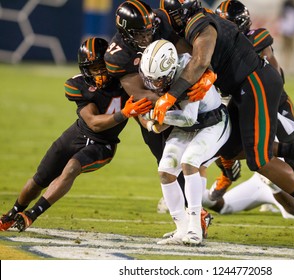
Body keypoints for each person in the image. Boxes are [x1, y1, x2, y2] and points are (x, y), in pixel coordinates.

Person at [153, 0, 294, 242]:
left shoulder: (200, 23)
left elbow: (200, 61)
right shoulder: (197, 22)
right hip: (243, 88)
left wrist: (171, 95)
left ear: (178, 13)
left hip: (254, 83)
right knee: (229, 147)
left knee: (260, 160)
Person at [0, 37, 152, 232]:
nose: (99, 73)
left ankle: (32, 214)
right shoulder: (78, 85)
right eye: (94, 68)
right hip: (77, 135)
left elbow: (136, 110)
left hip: (103, 145)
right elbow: (93, 123)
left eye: (102, 66)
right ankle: (13, 213)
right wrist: (125, 113)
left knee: (72, 167)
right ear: (85, 69)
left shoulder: (124, 81)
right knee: (39, 180)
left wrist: (149, 124)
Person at [104, 0, 213, 239]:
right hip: (150, 104)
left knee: (195, 146)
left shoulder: (159, 22)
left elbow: (187, 55)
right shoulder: (118, 55)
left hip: (179, 92)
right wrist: (167, 102)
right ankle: (188, 218)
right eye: (140, 33)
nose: (147, 35)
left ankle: (198, 212)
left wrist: (201, 76)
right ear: (125, 33)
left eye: (149, 29)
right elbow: (139, 93)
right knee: (164, 156)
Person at [210, 0, 294, 217]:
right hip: (243, 102)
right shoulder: (216, 47)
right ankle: (230, 172)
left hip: (273, 102)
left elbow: (276, 77)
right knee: (223, 141)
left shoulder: (256, 39)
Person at [138, 39, 231, 246]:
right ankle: (181, 229)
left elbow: (188, 116)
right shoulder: (162, 73)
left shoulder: (190, 71)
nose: (155, 85)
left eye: (159, 79)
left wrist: (157, 115)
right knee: (165, 169)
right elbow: (167, 120)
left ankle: (195, 228)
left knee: (190, 162)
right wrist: (153, 123)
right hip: (189, 124)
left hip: (213, 122)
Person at [202, 113, 294, 245]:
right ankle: (273, 186)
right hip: (288, 183)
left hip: (265, 172)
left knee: (224, 206)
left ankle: (195, 196)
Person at [279, 0, 294, 76]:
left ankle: (291, 68)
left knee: (291, 51)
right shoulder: (286, 9)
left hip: (292, 32)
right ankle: (286, 68)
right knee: (286, 51)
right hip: (286, 32)